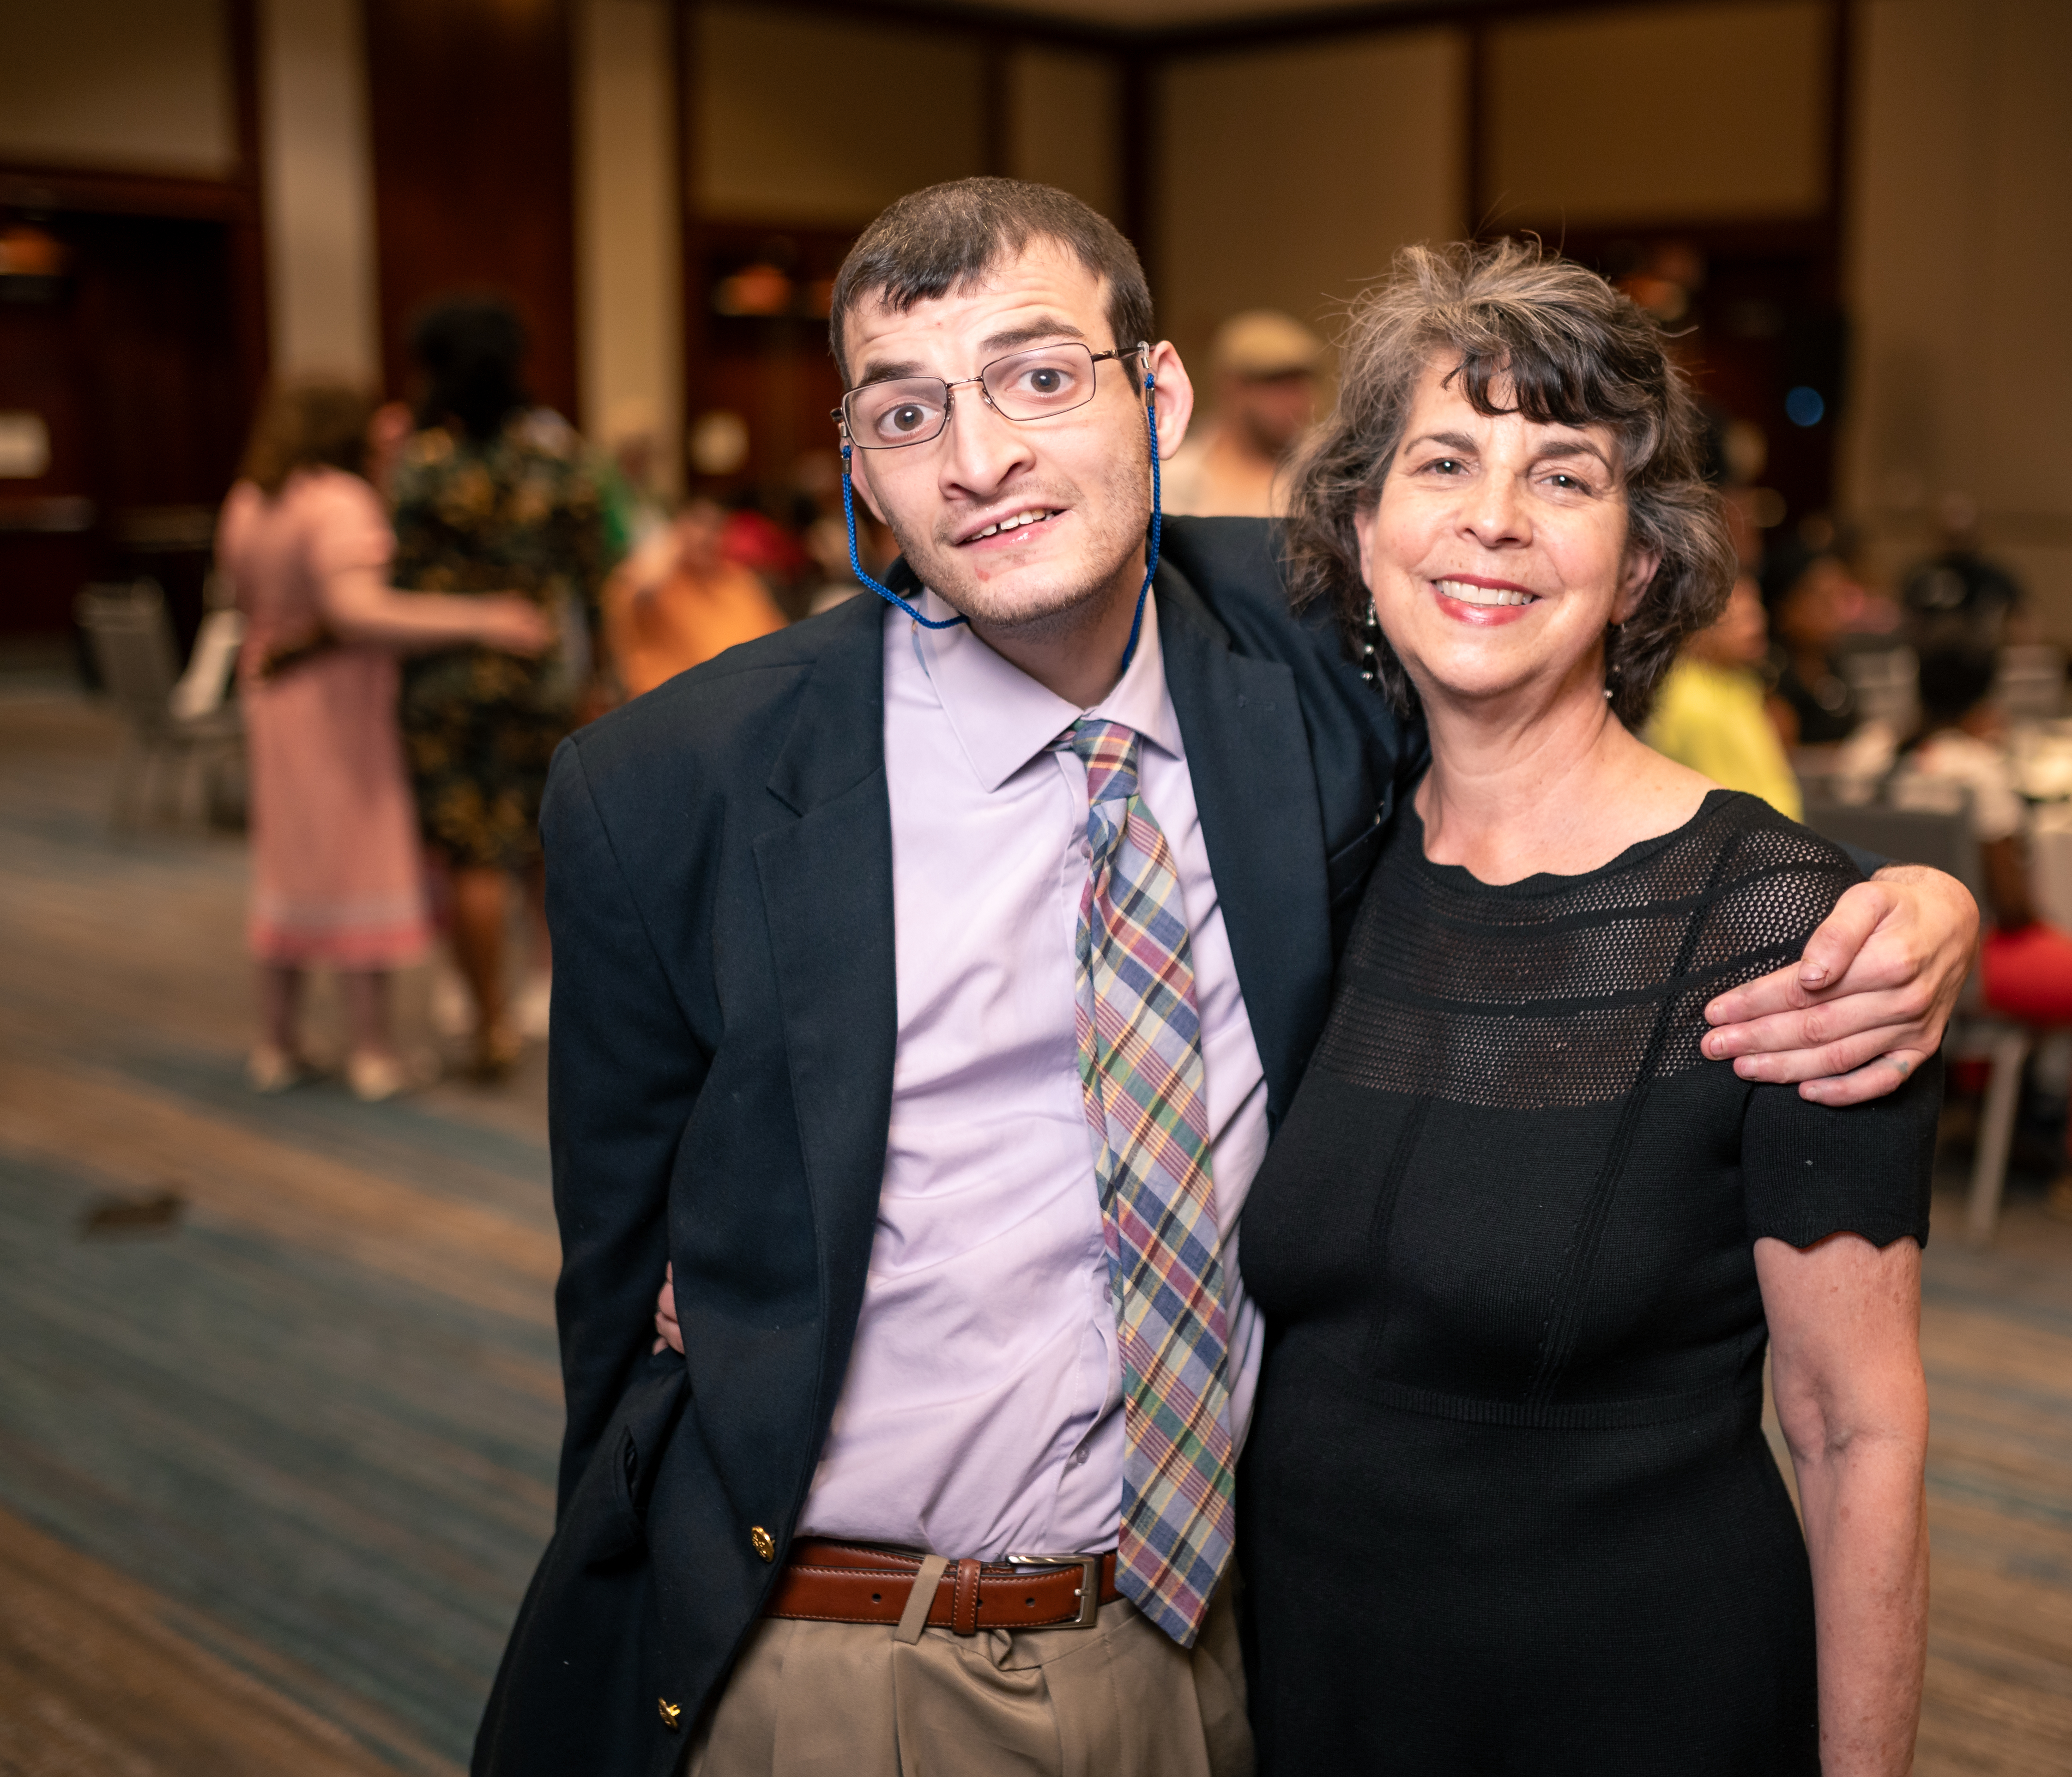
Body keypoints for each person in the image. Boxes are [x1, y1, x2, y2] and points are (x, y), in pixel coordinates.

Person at [472, 179, 1981, 1777]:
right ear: (859, 460)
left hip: (1226, 1663)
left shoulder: (1304, 676)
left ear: (1161, 395)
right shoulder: (672, 787)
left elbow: (1546, 718)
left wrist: (1921, 899)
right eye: (908, 410)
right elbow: (612, 1324)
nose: (979, 459)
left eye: (1040, 377)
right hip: (861, 1656)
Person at [1240, 239, 1935, 1777]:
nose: (1491, 516)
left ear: (1636, 566)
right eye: (1443, 460)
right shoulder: (1316, 869)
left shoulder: (1783, 923)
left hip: (1631, 1691)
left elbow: (1854, 1428)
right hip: (1316, 1680)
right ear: (1361, 530)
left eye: (1563, 475)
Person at [217, 381, 552, 1101]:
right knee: (358, 859)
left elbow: (241, 598)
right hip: (338, 705)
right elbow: (358, 610)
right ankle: (371, 1051)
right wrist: (484, 618)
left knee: (288, 862)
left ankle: (277, 1042)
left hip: (271, 692)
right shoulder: (338, 499)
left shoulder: (251, 497)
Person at [389, 296, 612, 1076]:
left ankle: (487, 1025)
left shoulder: (420, 465)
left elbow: (393, 582)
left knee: (472, 855)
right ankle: (550, 993)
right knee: (544, 845)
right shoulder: (558, 458)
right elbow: (593, 578)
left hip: (445, 684)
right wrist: (599, 675)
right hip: (539, 676)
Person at [1890, 641, 2072, 1227]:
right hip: (1976, 958)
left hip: (1898, 953)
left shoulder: (1885, 757)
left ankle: (1979, 1108)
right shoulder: (1980, 773)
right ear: (1986, 701)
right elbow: (2013, 907)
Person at [1643, 573, 1804, 816]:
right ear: (1700, 627)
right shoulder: (1693, 703)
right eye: (1740, 619)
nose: (1756, 626)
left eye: (1756, 613)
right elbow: (1726, 806)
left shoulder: (1739, 683)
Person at [600, 497, 787, 701]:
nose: (708, 536)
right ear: (678, 528)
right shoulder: (656, 583)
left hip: (743, 700)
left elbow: (778, 643)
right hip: (669, 706)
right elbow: (633, 594)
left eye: (716, 527)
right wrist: (666, 550)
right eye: (699, 524)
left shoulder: (740, 581)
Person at [1157, 308, 1324, 517]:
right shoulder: (1175, 479)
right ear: (1234, 386)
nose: (1295, 401)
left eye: (1301, 385)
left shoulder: (1323, 478)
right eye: (1278, 384)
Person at [1765, 537, 1862, 748]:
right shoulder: (1771, 676)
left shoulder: (1833, 662)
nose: (1836, 611)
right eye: (1823, 599)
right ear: (1785, 607)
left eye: (1841, 597)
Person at [1899, 491, 2027, 647]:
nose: (1957, 546)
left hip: (1983, 665)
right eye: (1950, 537)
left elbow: (2024, 621)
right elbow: (1904, 624)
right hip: (1932, 664)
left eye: (1963, 536)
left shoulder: (1995, 577)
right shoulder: (1921, 577)